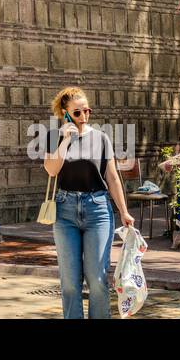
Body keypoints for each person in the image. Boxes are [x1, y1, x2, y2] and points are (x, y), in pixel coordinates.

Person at [42, 86, 135, 319]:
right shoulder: (54, 137)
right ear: (64, 113)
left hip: (98, 210)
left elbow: (112, 177)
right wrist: (65, 139)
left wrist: (124, 211)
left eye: (87, 111)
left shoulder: (101, 138)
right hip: (65, 211)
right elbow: (51, 170)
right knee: (71, 282)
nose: (83, 117)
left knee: (98, 279)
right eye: (77, 112)